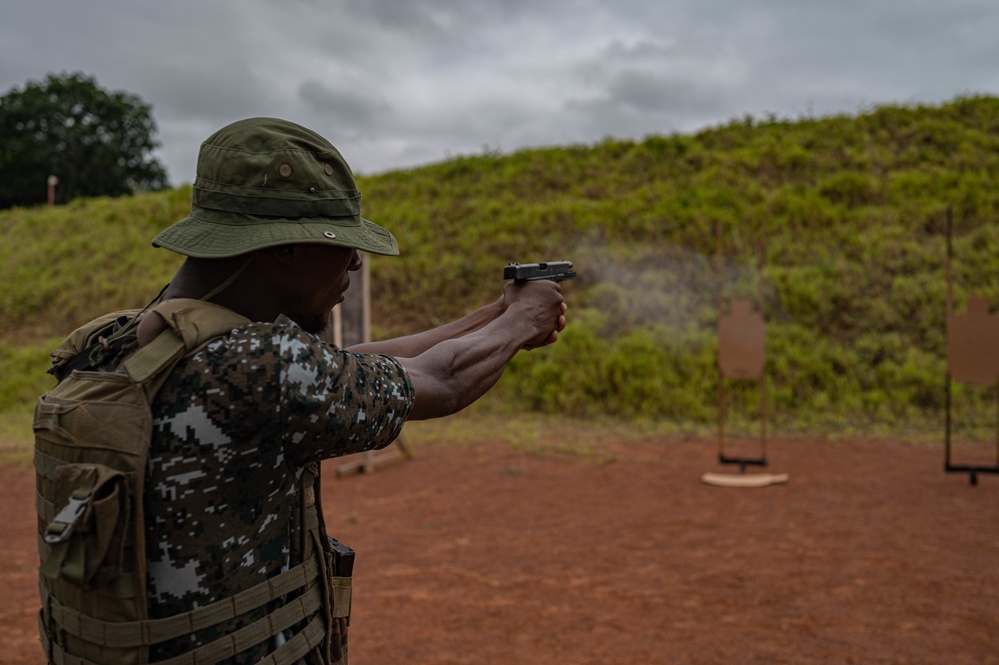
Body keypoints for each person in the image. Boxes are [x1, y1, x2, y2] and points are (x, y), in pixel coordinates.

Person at [35, 117, 567, 665]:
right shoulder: (268, 367)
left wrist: (494, 316)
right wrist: (522, 324)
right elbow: (444, 381)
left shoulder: (120, 341)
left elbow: (341, 368)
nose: (356, 262)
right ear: (284, 247)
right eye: (338, 244)